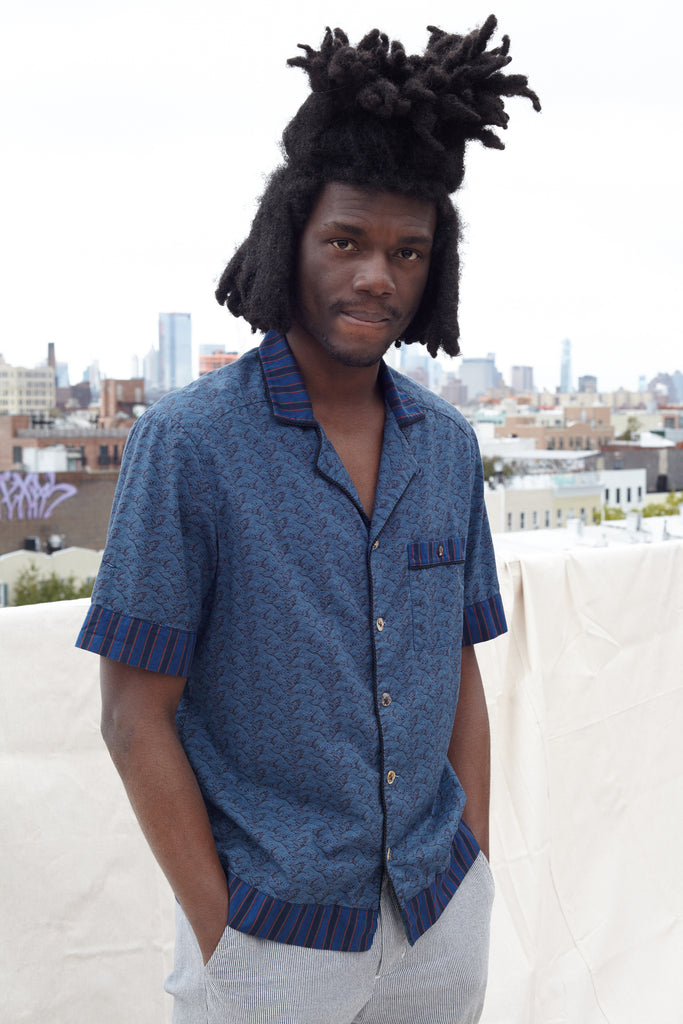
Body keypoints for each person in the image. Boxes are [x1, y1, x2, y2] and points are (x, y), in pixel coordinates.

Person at [76, 17, 538, 1024]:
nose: (377, 275)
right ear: (288, 239)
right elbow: (131, 713)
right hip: (270, 942)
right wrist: (224, 937)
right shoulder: (188, 445)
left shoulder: (446, 448)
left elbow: (457, 667)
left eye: (407, 251)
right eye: (345, 242)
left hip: (437, 917)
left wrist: (472, 869)